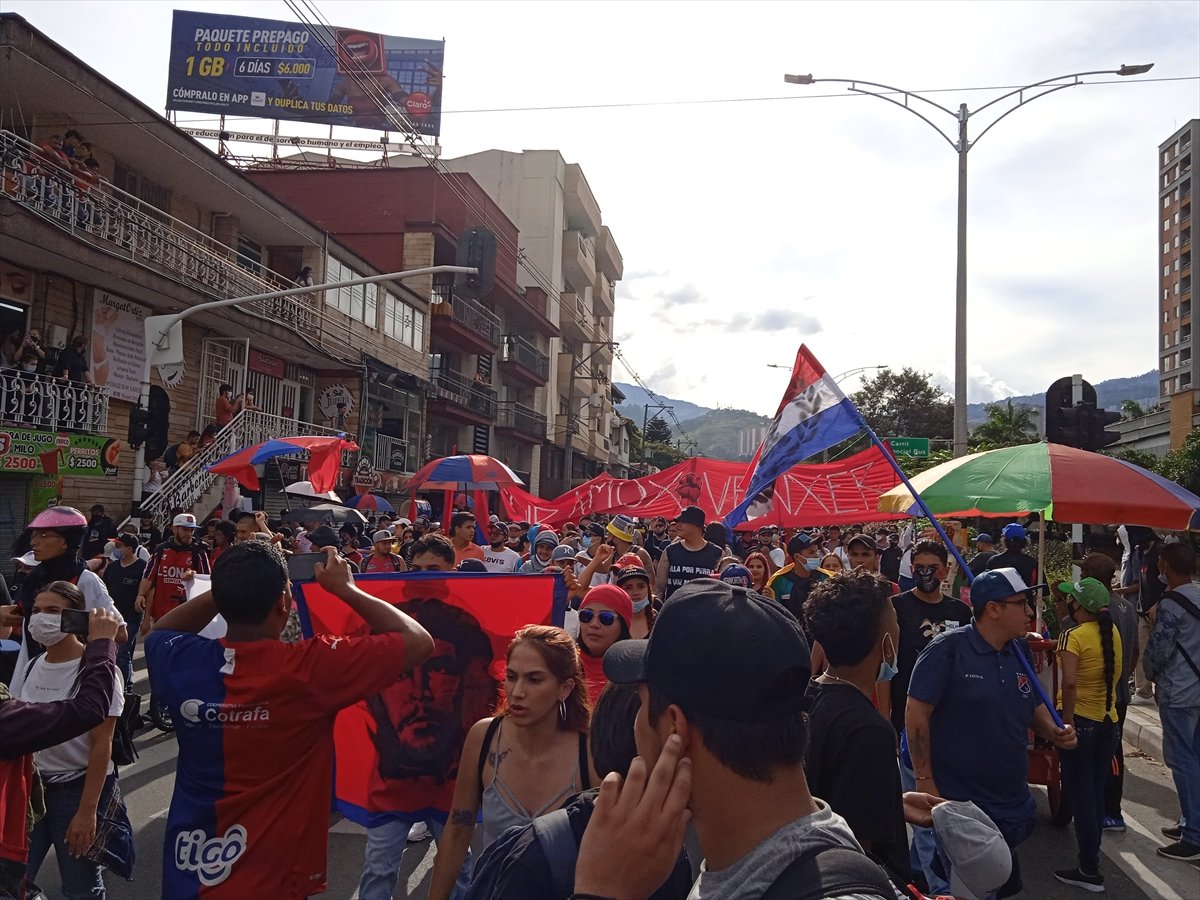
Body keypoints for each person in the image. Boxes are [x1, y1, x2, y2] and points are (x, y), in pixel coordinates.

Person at [574, 578, 902, 899]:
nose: (636, 725)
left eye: (641, 706)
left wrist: (602, 893)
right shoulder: (751, 862)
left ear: (675, 727)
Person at [145, 542, 433, 897]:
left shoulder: (179, 660)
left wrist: (232, 588)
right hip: (275, 881)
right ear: (284, 602)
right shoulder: (310, 668)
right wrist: (346, 589)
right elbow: (418, 640)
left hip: (190, 872)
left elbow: (159, 634)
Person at [906, 568, 1077, 896]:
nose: (1029, 612)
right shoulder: (948, 650)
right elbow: (916, 714)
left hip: (1010, 799)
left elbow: (1031, 704)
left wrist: (1054, 731)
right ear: (993, 609)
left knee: (1000, 886)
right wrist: (925, 781)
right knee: (963, 889)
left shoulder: (1019, 650)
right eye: (1021, 603)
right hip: (962, 803)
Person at [427, 625, 597, 900]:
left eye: (534, 679)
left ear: (564, 688)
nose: (516, 692)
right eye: (511, 676)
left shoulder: (590, 750)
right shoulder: (483, 737)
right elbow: (458, 830)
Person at [0, 608, 122, 900]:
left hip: (72, 793)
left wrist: (87, 810)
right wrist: (103, 645)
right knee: (19, 879)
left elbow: (100, 742)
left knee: (80, 886)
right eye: (37, 609)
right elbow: (86, 709)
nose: (41, 617)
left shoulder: (96, 670)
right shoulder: (31, 666)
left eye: (54, 611)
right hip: (33, 796)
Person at [803, 570, 911, 881]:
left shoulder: (810, 697)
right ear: (884, 639)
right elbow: (860, 847)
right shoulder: (869, 731)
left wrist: (893, 802)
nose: (899, 625)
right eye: (894, 617)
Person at [2, 506, 126, 697]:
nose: (34, 542)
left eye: (44, 536)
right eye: (34, 536)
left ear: (67, 542)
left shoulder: (85, 579)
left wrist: (63, 626)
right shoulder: (34, 578)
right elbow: (26, 617)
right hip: (32, 670)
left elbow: (119, 632)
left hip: (71, 676)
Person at [1054, 576, 1122, 891]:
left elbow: (1069, 683)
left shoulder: (1073, 636)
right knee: (1093, 791)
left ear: (1079, 605)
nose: (1069, 602)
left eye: (1071, 599)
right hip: (1108, 722)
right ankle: (1091, 859)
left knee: (1081, 794)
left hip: (1080, 721)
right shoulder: (1113, 634)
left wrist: (1065, 723)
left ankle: (1089, 868)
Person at [1142, 542, 1200, 861]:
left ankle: (1193, 837)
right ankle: (1191, 821)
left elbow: (1159, 650)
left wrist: (1147, 674)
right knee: (1197, 759)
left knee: (1183, 761)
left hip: (1179, 691)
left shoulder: (1170, 604)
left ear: (1164, 565)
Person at [890, 540, 973, 736]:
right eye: (919, 568)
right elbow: (886, 663)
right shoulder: (895, 607)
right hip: (906, 707)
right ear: (911, 570)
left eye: (933, 568)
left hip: (950, 708)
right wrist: (886, 716)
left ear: (945, 571)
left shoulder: (959, 611)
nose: (925, 573)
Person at [576, 584, 634, 702]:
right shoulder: (565, 664)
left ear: (623, 626)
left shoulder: (635, 675)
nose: (594, 624)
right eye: (586, 615)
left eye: (606, 618)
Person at [102, 534, 146, 688]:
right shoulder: (112, 567)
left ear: (129, 548)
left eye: (119, 546)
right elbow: (104, 589)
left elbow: (148, 590)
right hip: (113, 616)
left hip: (131, 617)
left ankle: (122, 688)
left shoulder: (143, 567)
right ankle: (127, 681)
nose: (116, 549)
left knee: (122, 652)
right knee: (118, 651)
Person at [654, 506, 723, 600]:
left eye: (683, 522)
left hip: (705, 613)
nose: (678, 525)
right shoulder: (670, 551)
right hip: (675, 612)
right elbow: (658, 590)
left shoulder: (717, 554)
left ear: (696, 526)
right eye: (678, 522)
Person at [766, 532, 826, 621]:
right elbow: (775, 614)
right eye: (811, 552)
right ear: (797, 556)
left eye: (816, 551)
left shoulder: (825, 578)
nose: (816, 556)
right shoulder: (779, 581)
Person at [614, 564, 656, 639]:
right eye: (628, 588)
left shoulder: (659, 620)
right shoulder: (612, 621)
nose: (635, 592)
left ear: (648, 589)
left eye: (641, 587)